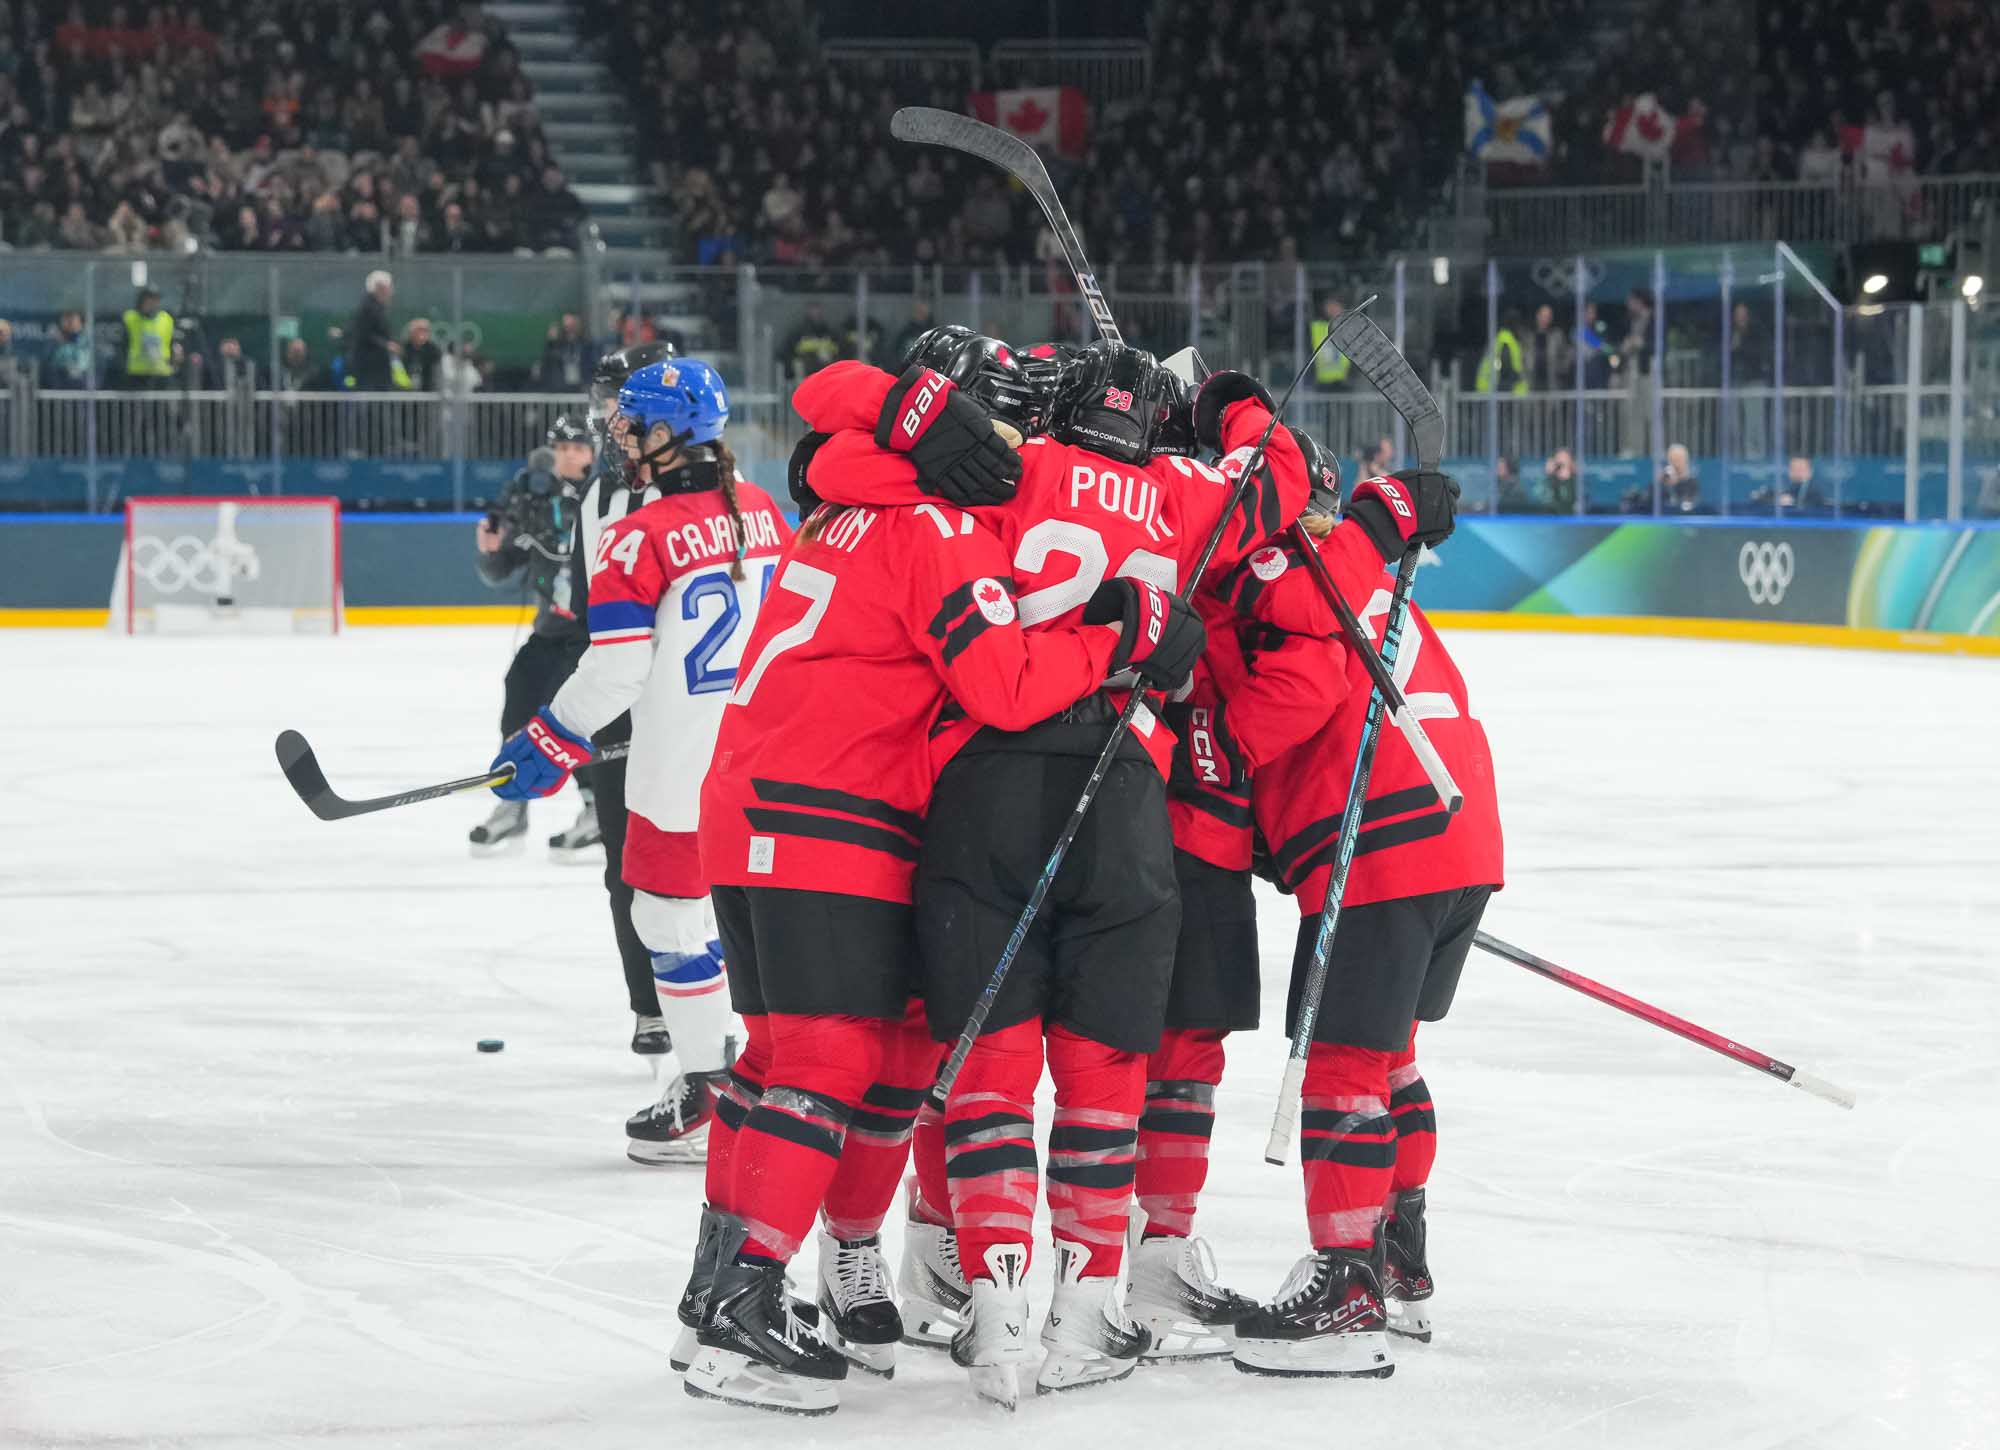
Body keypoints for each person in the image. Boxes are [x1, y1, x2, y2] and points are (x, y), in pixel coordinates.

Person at [793, 334, 1323, 1405]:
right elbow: (1281, 472)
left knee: (986, 1066)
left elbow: (831, 466)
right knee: (1104, 1068)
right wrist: (1225, 403)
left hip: (981, 784)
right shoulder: (1182, 494)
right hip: (1124, 792)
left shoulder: (1003, 469)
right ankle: (1084, 1314)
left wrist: (903, 422)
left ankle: (994, 1313)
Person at [679, 343, 1201, 1415]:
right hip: (832, 810)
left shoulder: (843, 498)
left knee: (783, 1060)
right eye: (1006, 429)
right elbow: (1005, 685)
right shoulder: (939, 529)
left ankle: (719, 1290)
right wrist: (1119, 639)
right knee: (830, 1060)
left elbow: (828, 407)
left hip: (744, 806)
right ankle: (742, 1306)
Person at [1223, 461, 1499, 1381]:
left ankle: (1346, 1289)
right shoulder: (1367, 573)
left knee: (1342, 1065)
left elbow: (1299, 694)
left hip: (1380, 839)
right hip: (1459, 833)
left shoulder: (1287, 573)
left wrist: (1219, 762)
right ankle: (1396, 1256)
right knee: (1389, 1056)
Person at [491, 359, 788, 1165]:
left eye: (630, 425)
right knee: (722, 918)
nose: (617, 437)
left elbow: (618, 669)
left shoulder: (636, 535)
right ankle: (741, 1071)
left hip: (678, 769)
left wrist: (549, 737)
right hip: (761, 758)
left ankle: (707, 1093)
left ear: (666, 435)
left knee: (664, 918)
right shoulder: (763, 512)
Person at [1129, 428, 1353, 1361]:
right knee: (1182, 1046)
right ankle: (1152, 1258)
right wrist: (1226, 752)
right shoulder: (1264, 560)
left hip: (1112, 805)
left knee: (1084, 1044)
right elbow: (1307, 681)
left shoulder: (1157, 512)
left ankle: (1014, 1260)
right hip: (1192, 831)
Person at [560, 342, 687, 1067]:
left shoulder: (715, 492)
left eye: (620, 403)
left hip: (695, 705)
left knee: (709, 861)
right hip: (622, 701)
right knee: (628, 865)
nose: (610, 420)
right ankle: (651, 1005)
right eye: (607, 403)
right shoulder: (598, 499)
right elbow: (594, 616)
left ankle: (728, 1005)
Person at [469, 414, 596, 856]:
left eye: (577, 448)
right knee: (519, 698)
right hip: (548, 632)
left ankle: (595, 805)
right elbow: (500, 569)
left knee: (571, 716)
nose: (568, 457)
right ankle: (514, 804)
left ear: (593, 452)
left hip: (590, 635)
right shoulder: (534, 500)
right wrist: (489, 551)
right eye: (561, 449)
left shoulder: (604, 498)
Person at [348, 270, 398, 391]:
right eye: (389, 287)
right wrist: (386, 345)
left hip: (376, 367)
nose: (391, 291)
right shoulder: (368, 308)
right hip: (368, 367)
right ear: (379, 288)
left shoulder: (377, 307)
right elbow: (363, 334)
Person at [121, 288, 175, 390]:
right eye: (150, 300)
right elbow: (123, 345)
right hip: (137, 373)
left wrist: (173, 361)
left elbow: (172, 343)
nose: (153, 304)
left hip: (161, 372)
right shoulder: (130, 318)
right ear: (141, 301)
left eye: (156, 300)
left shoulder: (166, 319)